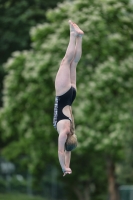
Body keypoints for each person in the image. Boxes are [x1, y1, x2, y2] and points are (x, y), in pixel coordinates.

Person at [53, 20, 84, 176]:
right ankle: (73, 35)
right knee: (66, 62)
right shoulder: (64, 133)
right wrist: (63, 167)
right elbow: (61, 150)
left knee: (74, 63)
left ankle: (79, 38)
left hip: (72, 95)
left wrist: (68, 165)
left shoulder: (71, 130)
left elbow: (68, 150)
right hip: (63, 94)